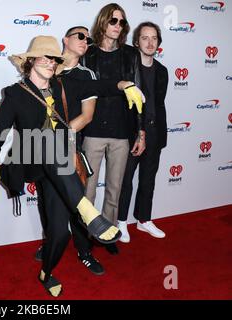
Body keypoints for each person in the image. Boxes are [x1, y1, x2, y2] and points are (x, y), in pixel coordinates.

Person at [0, 35, 143, 297]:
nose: (49, 62)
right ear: (30, 61)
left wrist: (126, 84)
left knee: (60, 234)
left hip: (59, 167)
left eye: (53, 58)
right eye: (43, 57)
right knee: (47, 141)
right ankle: (88, 211)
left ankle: (46, 272)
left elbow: (102, 85)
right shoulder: (15, 93)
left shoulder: (64, 85)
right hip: (31, 158)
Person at [35, 26, 105, 276]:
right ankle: (51, 242)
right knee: (46, 200)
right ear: (65, 40)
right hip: (41, 147)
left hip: (69, 147)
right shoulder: (47, 67)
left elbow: (87, 116)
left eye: (89, 38)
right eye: (80, 36)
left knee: (77, 202)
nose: (86, 41)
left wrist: (59, 136)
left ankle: (84, 251)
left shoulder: (87, 75)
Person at [82, 3, 145, 255]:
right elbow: (84, 91)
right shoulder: (89, 53)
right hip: (93, 130)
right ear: (103, 23)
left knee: (114, 189)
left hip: (122, 131)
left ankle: (107, 235)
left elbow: (139, 94)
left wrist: (140, 131)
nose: (118, 26)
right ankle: (86, 235)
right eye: (113, 21)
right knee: (87, 190)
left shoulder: (130, 54)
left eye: (121, 22)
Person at [117, 22, 168, 241]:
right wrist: (139, 131)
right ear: (136, 41)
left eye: (154, 38)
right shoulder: (128, 69)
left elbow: (158, 103)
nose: (150, 42)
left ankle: (144, 220)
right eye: (145, 38)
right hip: (131, 133)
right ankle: (120, 222)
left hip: (155, 132)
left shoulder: (163, 71)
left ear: (158, 42)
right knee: (125, 179)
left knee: (148, 179)